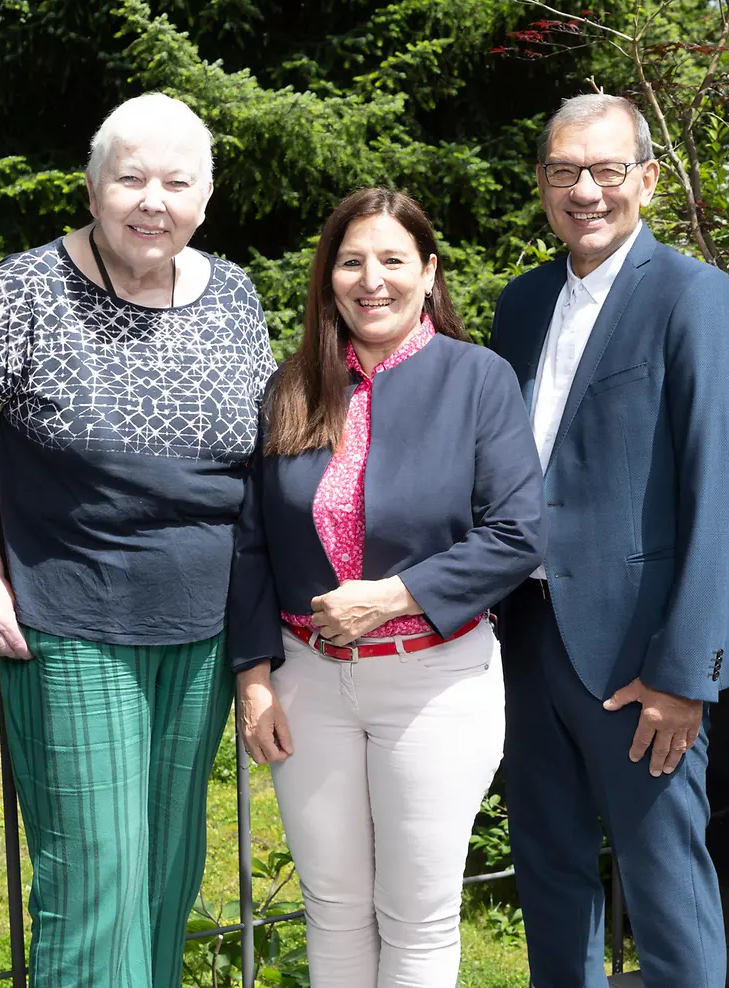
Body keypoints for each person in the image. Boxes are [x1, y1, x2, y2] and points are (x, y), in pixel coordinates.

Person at [0, 92, 275, 988]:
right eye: (131, 178)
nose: (153, 200)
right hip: (73, 624)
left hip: (202, 631)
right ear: (92, 186)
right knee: (94, 889)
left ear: (205, 196)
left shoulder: (234, 293)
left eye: (176, 182)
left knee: (167, 879)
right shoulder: (25, 290)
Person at [228, 187, 546, 987]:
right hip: (307, 685)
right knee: (333, 909)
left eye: (393, 260)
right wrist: (254, 678)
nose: (373, 280)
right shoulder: (291, 386)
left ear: (429, 271)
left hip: (436, 680)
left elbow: (519, 532)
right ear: (328, 276)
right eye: (352, 261)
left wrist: (393, 596)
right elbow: (251, 542)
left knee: (417, 916)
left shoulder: (478, 379)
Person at [488, 94, 729, 987]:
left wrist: (686, 673)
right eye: (565, 172)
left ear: (647, 178)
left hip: (642, 660)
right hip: (525, 642)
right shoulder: (522, 304)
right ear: (542, 185)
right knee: (551, 880)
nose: (586, 191)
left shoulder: (695, 296)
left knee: (668, 896)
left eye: (607, 170)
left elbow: (722, 495)